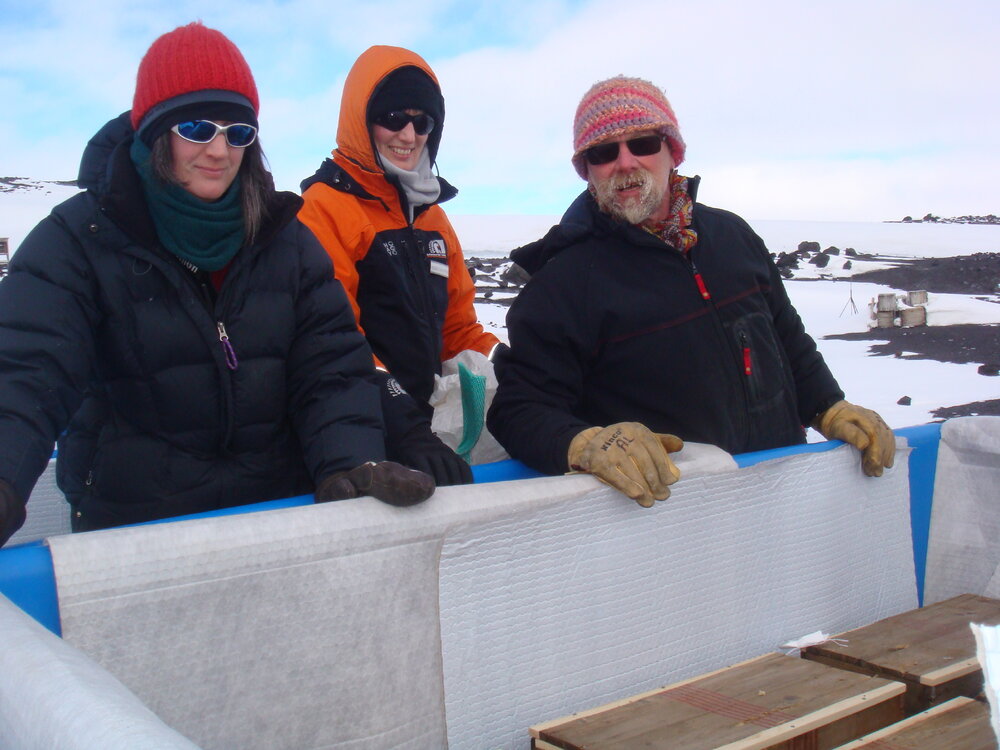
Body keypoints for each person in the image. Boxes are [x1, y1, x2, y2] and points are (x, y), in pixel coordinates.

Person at [0, 22, 433, 548]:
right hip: (136, 533)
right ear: (156, 132)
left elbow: (332, 370)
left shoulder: (287, 243)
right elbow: (27, 370)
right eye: (197, 130)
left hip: (275, 518)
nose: (220, 151)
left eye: (238, 132)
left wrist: (349, 459)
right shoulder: (78, 240)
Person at [487, 75, 895, 508]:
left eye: (642, 143)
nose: (625, 163)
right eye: (604, 152)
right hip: (668, 523)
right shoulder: (562, 283)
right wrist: (584, 443)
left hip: (781, 497)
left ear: (672, 151)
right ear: (587, 170)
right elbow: (519, 409)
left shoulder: (732, 236)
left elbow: (786, 340)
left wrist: (827, 407)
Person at [298, 46, 503, 474]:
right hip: (357, 428)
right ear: (361, 120)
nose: (408, 136)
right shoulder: (324, 208)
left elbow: (459, 330)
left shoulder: (433, 217)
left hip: (428, 427)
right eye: (392, 118)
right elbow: (336, 340)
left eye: (421, 121)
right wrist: (403, 425)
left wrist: (515, 371)